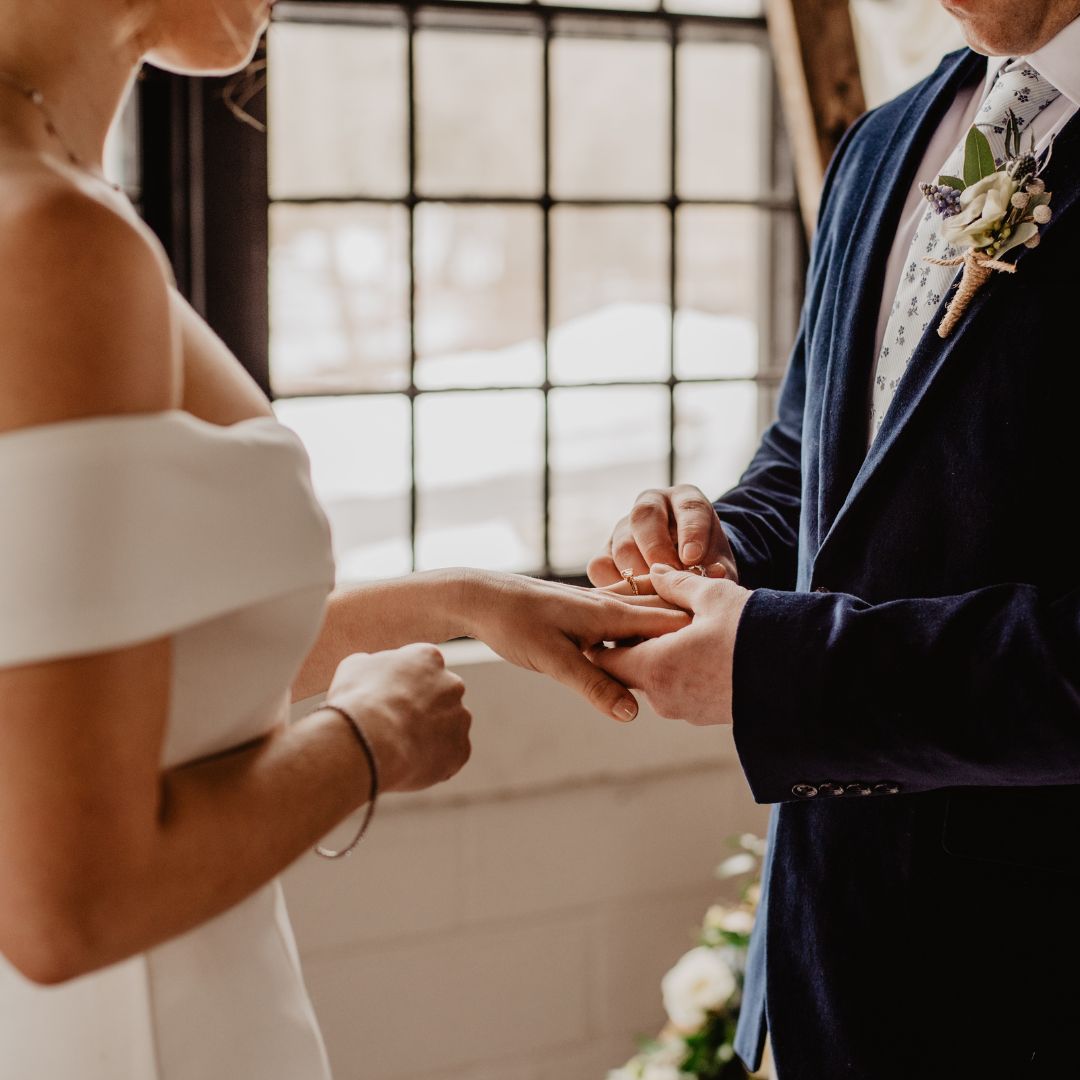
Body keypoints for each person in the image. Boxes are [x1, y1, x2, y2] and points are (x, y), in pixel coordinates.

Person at [0, 1, 689, 1076]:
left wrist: (459, 603)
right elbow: (67, 905)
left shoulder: (50, 203)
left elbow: (108, 676)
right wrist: (369, 741)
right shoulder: (51, 243)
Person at [588, 2, 1080, 1076]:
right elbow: (814, 459)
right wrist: (717, 546)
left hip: (1042, 992)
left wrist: (776, 667)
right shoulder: (886, 141)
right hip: (825, 978)